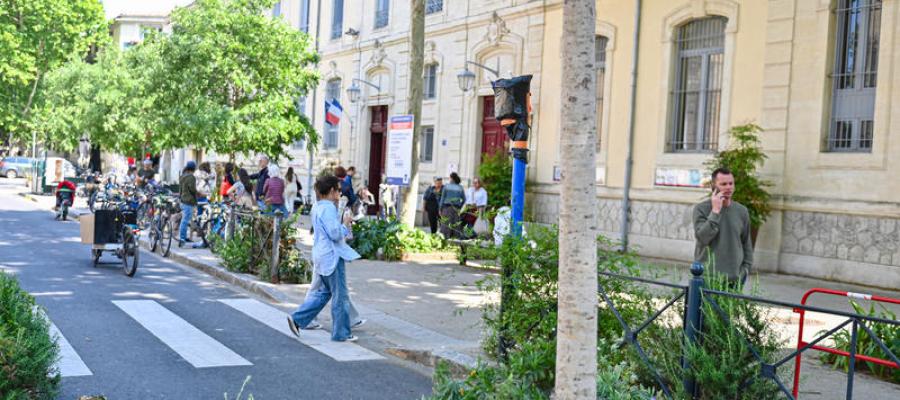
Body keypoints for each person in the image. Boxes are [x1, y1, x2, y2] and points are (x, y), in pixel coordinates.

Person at [287, 175, 360, 342]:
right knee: (340, 296)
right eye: (338, 190)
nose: (340, 193)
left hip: (321, 254)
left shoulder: (317, 207)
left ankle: (298, 319)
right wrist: (345, 223)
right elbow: (334, 233)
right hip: (331, 256)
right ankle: (341, 333)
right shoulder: (328, 208)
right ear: (332, 191)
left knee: (325, 293)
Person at [693, 167, 753, 288]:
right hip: (708, 278)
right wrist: (715, 211)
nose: (728, 187)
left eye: (731, 183)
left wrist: (745, 270)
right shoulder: (701, 209)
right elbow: (703, 238)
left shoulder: (742, 211)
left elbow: (746, 243)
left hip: (734, 279)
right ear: (714, 186)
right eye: (723, 184)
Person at [438, 173, 466, 238]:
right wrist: (460, 206)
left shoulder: (446, 186)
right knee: (456, 225)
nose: (449, 179)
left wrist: (440, 208)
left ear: (452, 178)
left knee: (446, 225)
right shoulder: (460, 187)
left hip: (447, 208)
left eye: (449, 178)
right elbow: (464, 199)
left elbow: (442, 199)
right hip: (456, 208)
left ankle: (445, 238)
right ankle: (455, 240)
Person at [179, 161, 200, 246]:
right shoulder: (191, 177)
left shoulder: (182, 176)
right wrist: (199, 194)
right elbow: (193, 190)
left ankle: (182, 237)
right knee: (185, 221)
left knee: (184, 220)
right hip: (188, 201)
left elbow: (180, 189)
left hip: (183, 200)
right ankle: (182, 238)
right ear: (194, 168)